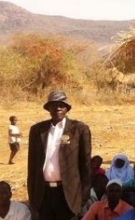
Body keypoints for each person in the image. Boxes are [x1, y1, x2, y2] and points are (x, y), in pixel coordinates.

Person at [27, 91, 92, 220]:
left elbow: (85, 165)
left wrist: (83, 196)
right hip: (43, 194)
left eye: (61, 105)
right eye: (53, 105)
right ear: (48, 108)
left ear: (67, 108)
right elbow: (32, 165)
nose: (57, 108)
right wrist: (32, 196)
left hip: (68, 194)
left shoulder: (79, 129)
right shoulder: (37, 130)